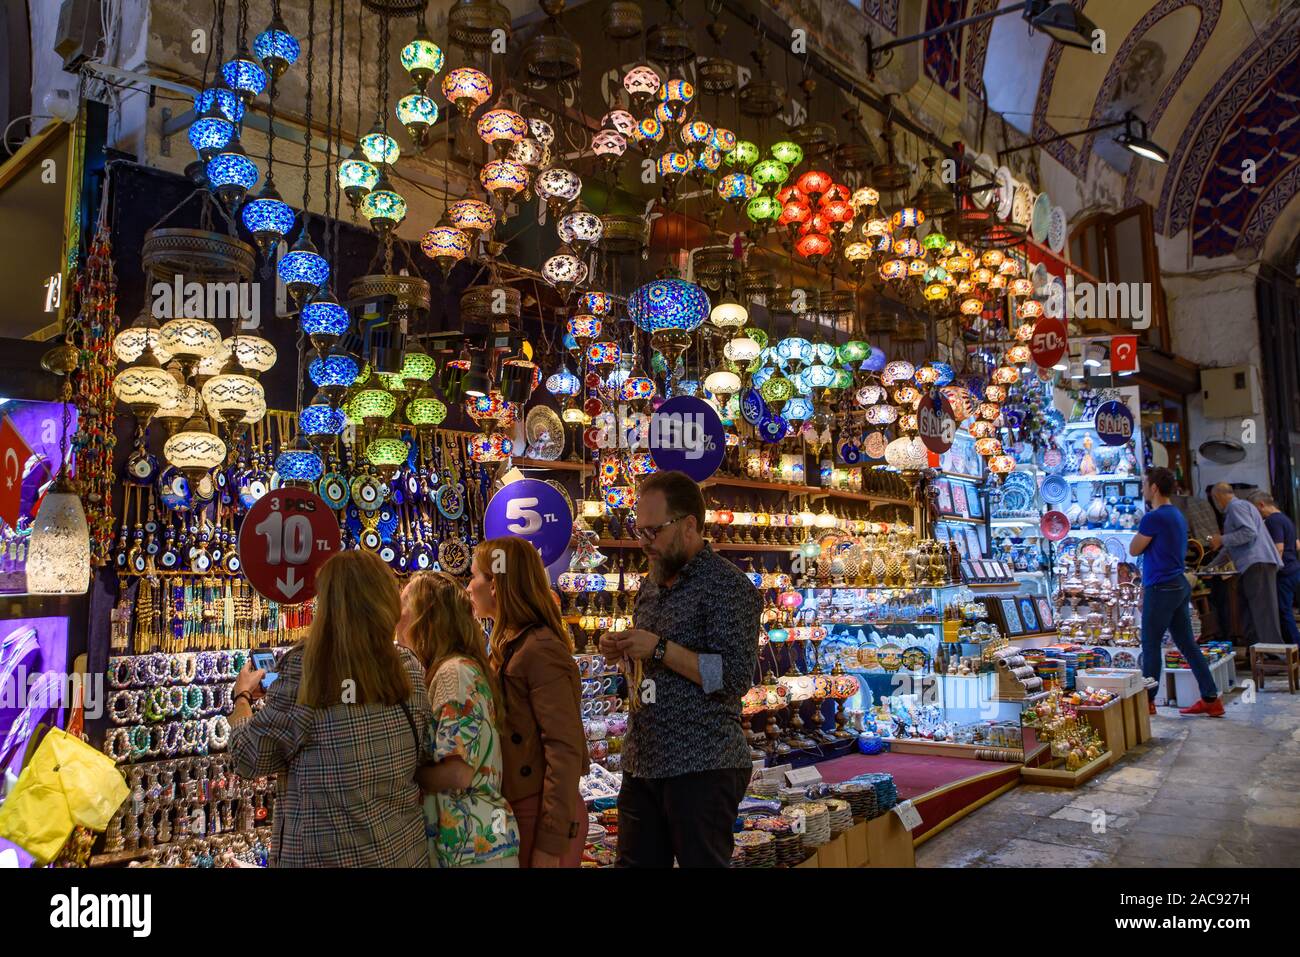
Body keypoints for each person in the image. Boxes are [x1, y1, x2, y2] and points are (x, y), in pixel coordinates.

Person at [599, 470, 762, 867]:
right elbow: (651, 666)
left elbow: (732, 679)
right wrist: (623, 651)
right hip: (643, 761)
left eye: (654, 531)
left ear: (689, 525)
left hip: (702, 764)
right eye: (639, 531)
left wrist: (656, 648)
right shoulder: (651, 586)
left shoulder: (728, 587)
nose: (644, 543)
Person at [229, 551, 431, 867]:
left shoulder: (307, 668)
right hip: (403, 851)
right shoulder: (409, 667)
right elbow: (420, 754)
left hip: (327, 856)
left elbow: (248, 758)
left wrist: (242, 698)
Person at [468, 536, 588, 867]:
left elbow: (564, 748)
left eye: (474, 575)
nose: (468, 587)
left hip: (541, 812)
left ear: (495, 585)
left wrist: (550, 844)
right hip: (523, 806)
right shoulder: (510, 644)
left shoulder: (538, 649)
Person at [399, 571, 520, 868]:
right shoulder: (454, 669)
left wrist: (402, 775)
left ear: (424, 619)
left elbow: (457, 773)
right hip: (470, 846)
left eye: (403, 605)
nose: (396, 615)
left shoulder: (454, 673)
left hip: (473, 850)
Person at [1129, 467, 1223, 717]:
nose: (1143, 489)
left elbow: (1134, 549)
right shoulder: (1177, 515)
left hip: (1161, 587)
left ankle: (1147, 701)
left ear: (1154, 488)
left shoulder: (1154, 517)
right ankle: (1211, 698)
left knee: (1150, 644)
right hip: (1178, 584)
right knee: (1187, 645)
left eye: (1145, 484)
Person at [1208, 482, 1283, 646]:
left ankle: (1273, 657)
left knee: (1263, 615)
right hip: (1253, 566)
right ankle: (1258, 655)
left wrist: (1221, 539)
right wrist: (1209, 567)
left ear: (1217, 497)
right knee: (1251, 614)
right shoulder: (1237, 509)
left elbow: (1248, 532)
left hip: (1257, 564)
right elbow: (1230, 548)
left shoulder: (1237, 507)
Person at [1253, 493, 1300, 646]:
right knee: (1286, 610)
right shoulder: (1286, 519)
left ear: (1261, 505)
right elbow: (1297, 544)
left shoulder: (1273, 521)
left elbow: (1278, 548)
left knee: (1283, 611)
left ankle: (1295, 647)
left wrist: (1271, 570)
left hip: (1284, 573)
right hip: (1294, 569)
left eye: (1256, 510)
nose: (1257, 515)